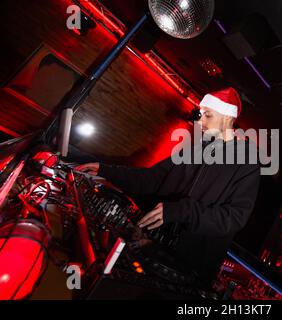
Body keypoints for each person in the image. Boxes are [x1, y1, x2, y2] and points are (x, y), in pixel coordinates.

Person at [76, 87, 260, 287]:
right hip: (159, 250)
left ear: (227, 117)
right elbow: (151, 178)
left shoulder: (246, 161)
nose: (200, 122)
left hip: (190, 268)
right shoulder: (196, 149)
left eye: (208, 115)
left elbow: (234, 218)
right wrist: (105, 170)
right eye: (200, 115)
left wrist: (180, 210)